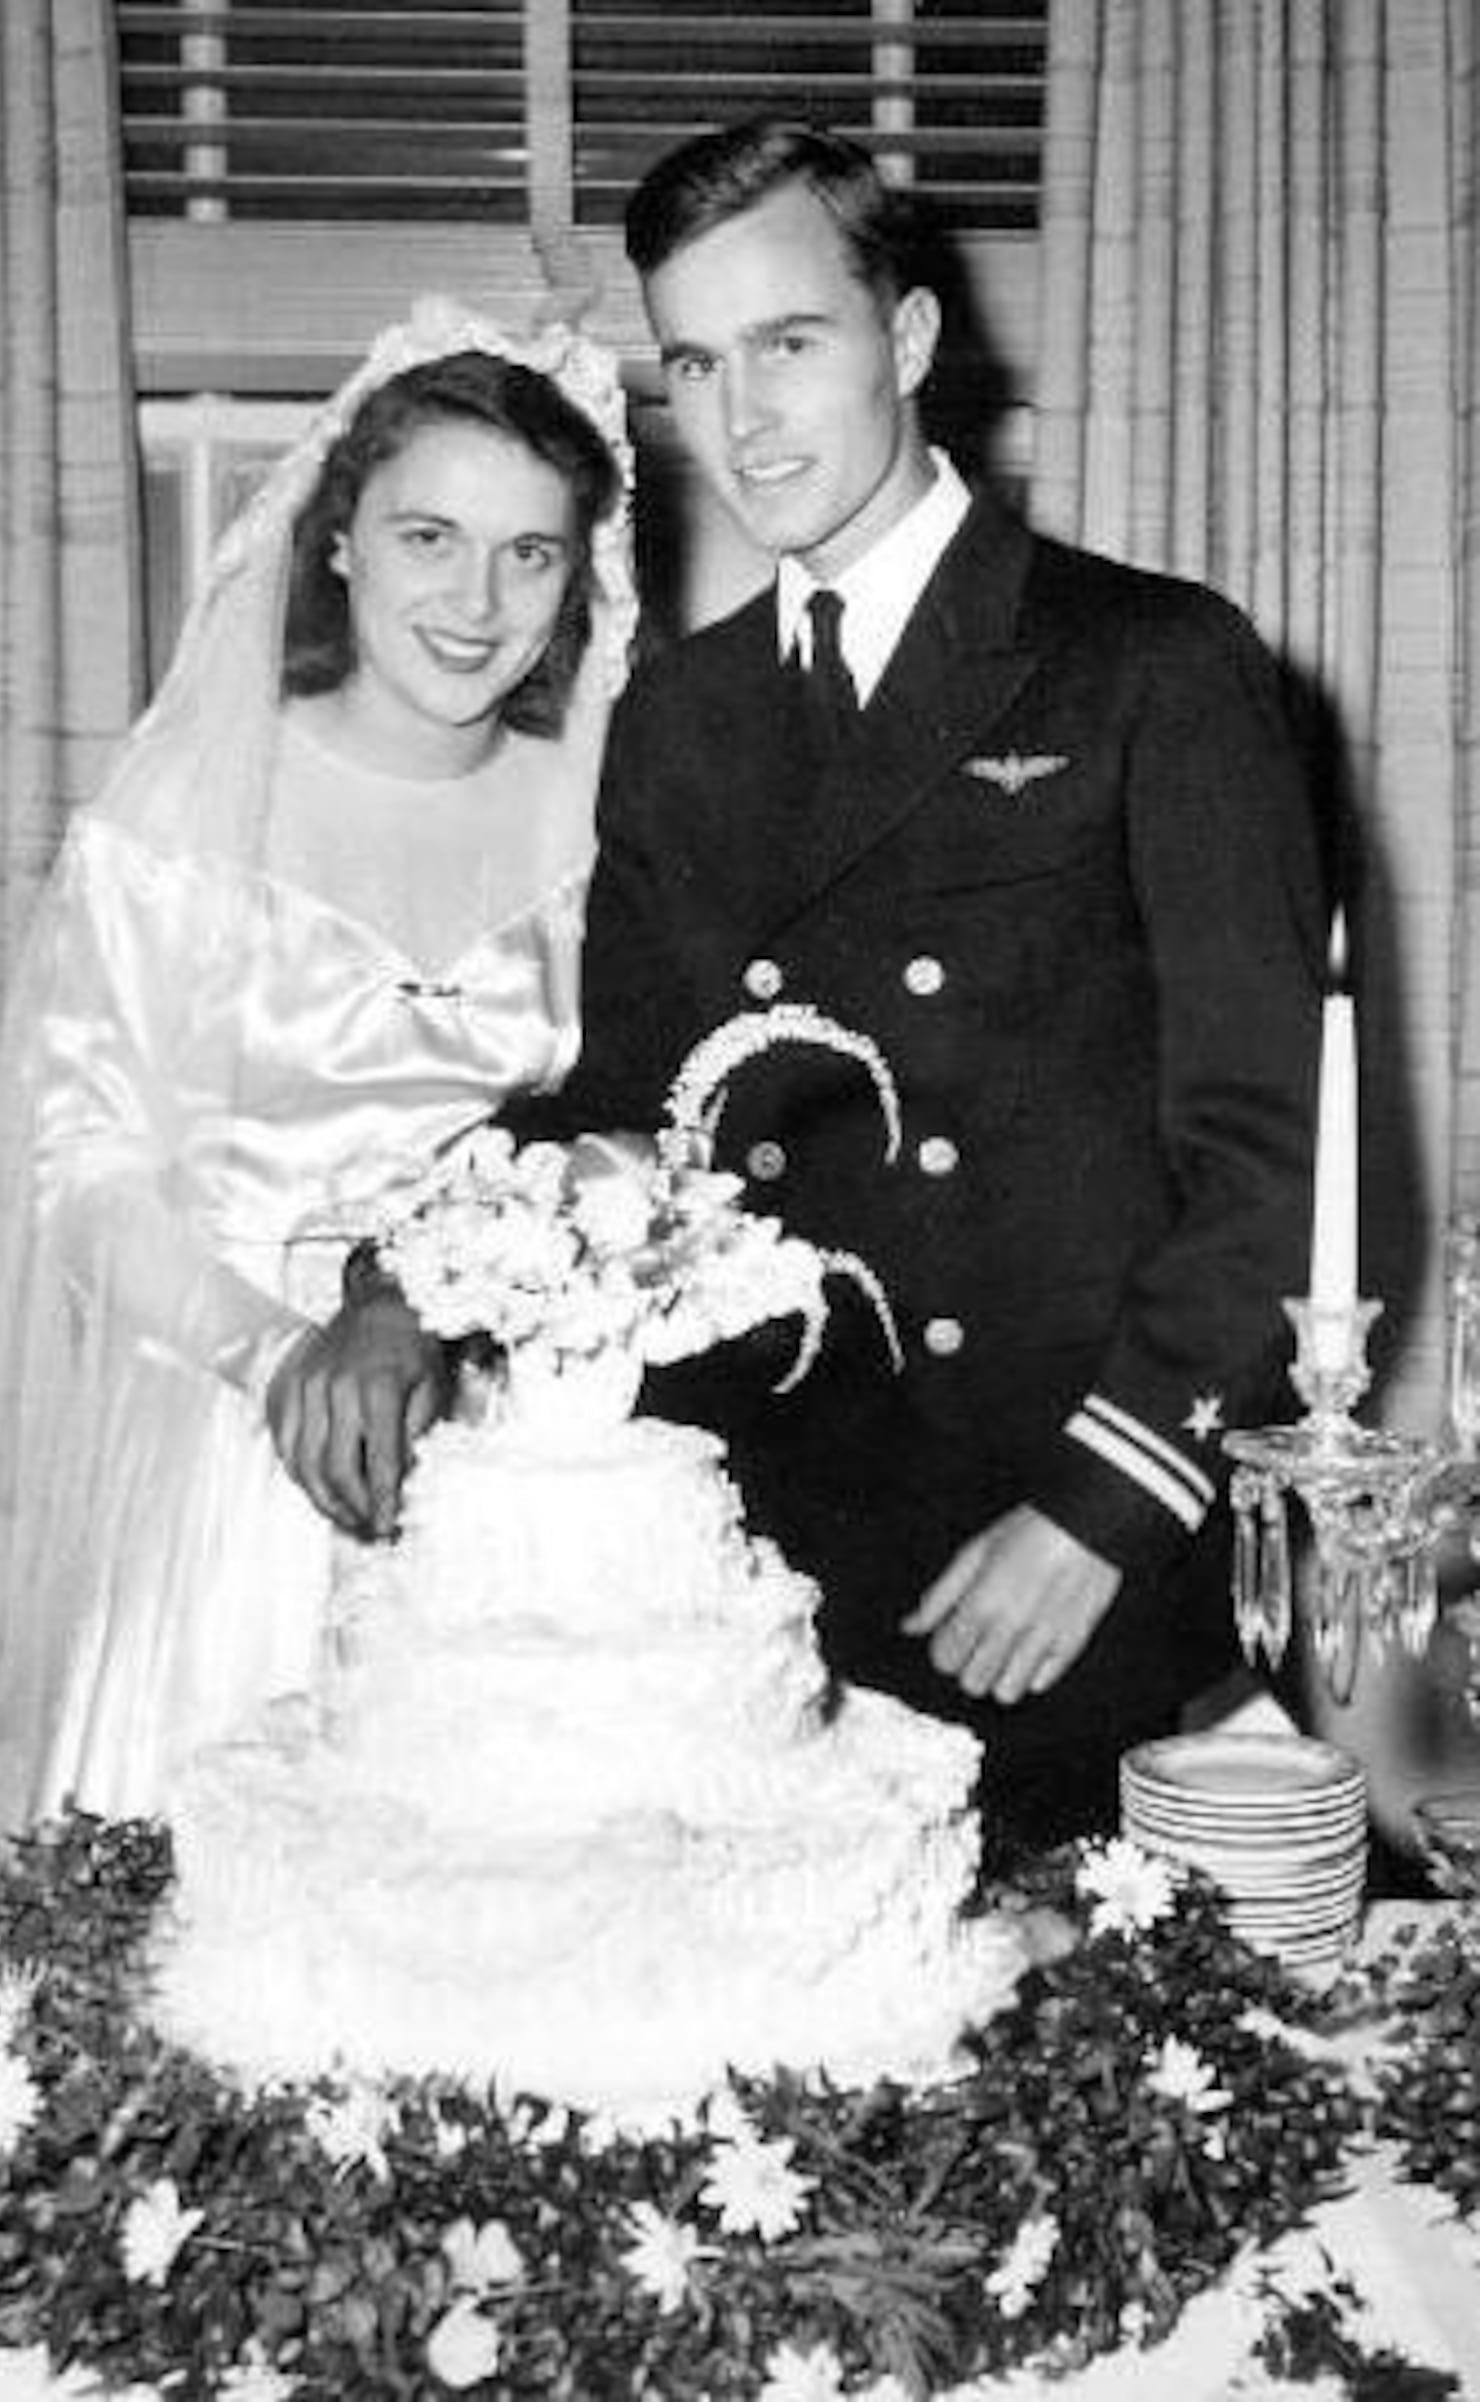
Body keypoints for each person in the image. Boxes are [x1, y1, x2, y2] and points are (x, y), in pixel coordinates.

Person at [501, 116, 1330, 1849]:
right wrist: (418, 1258)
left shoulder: (1149, 663)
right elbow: (626, 1108)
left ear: (914, 341)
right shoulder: (682, 713)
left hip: (1049, 1562)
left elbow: (1262, 1162)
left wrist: (1104, 1507)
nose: (742, 417)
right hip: (756, 1569)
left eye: (790, 343)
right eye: (698, 363)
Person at [0, 299, 635, 1848]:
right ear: (339, 541)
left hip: (523, 1477)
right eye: (430, 537)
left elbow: (628, 1135)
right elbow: (83, 1174)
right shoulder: (181, 819)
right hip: (237, 1461)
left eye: (531, 553)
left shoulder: (603, 826)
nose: (477, 597)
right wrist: (277, 1357)